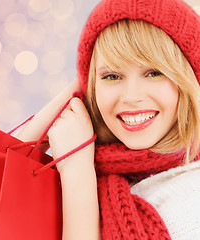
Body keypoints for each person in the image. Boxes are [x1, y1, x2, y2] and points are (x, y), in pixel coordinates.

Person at [15, 0, 200, 239]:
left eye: (154, 73)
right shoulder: (89, 161)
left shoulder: (190, 196)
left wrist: (77, 172)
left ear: (189, 80)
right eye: (112, 76)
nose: (132, 97)